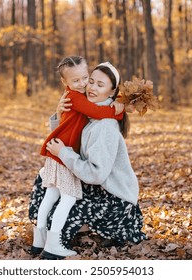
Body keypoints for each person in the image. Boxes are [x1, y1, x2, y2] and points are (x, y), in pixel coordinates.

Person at [29, 61, 147, 260]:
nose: (91, 87)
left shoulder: (104, 125)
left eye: (100, 85)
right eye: (91, 81)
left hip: (116, 199)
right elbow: (70, 134)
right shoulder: (87, 109)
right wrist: (59, 115)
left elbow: (95, 174)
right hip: (97, 185)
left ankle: (54, 244)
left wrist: (63, 153)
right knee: (45, 184)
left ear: (111, 93)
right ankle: (42, 238)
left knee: (67, 200)